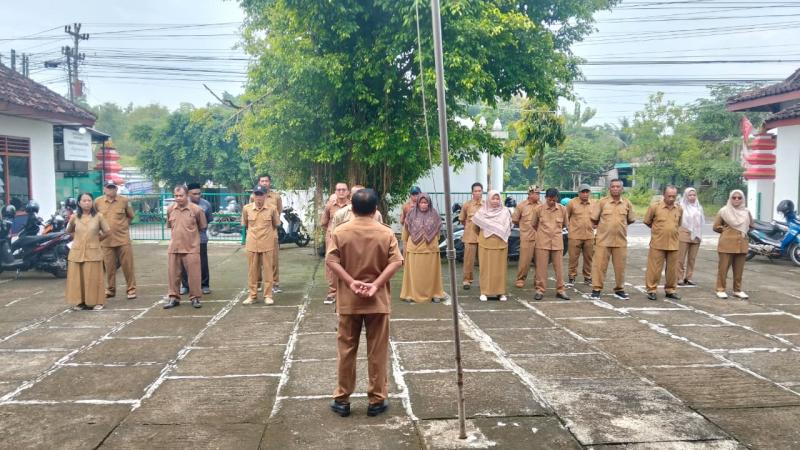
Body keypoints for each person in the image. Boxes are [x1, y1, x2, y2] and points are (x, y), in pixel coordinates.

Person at [326, 188, 403, 418]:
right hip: (377, 301)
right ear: (375, 209)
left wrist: (350, 282)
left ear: (352, 208)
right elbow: (397, 261)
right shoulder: (385, 232)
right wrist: (376, 285)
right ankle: (376, 400)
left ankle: (342, 399)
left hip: (349, 302)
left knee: (346, 350)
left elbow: (331, 260)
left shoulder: (340, 231)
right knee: (377, 351)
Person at [164, 185, 208, 309]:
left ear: (187, 195)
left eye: (181, 196)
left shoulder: (196, 210)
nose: (178, 198)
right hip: (174, 248)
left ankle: (195, 298)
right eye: (176, 196)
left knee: (194, 275)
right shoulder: (170, 209)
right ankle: (173, 298)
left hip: (191, 248)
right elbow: (170, 226)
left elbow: (202, 226)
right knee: (173, 275)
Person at [590, 179, 636, 300]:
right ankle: (596, 289)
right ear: (609, 188)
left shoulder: (627, 203)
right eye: (613, 186)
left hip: (620, 241)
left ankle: (619, 289)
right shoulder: (602, 202)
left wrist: (619, 227)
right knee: (599, 266)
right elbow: (594, 219)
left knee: (620, 268)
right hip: (603, 241)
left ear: (622, 189)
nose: (615, 189)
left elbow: (630, 220)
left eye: (618, 187)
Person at [65, 193, 110, 311]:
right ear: (79, 203)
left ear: (92, 202)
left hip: (93, 252)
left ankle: (98, 302)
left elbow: (107, 232)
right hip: (77, 252)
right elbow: (69, 231)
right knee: (77, 278)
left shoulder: (99, 216)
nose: (87, 203)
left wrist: (96, 240)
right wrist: (78, 239)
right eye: (84, 201)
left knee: (94, 278)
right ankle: (80, 302)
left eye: (89, 200)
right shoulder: (74, 217)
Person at [400, 193, 446, 303]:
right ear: (418, 203)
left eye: (426, 202)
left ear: (429, 203)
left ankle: (435, 293)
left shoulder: (434, 214)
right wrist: (405, 245)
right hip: (414, 248)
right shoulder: (411, 214)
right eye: (421, 202)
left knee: (431, 273)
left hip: (430, 248)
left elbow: (438, 234)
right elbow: (406, 231)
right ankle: (410, 294)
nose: (424, 205)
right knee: (414, 274)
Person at [94, 181, 136, 300]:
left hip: (123, 239)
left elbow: (131, 216)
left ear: (116, 189)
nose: (111, 190)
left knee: (128, 266)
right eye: (108, 188)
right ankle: (110, 290)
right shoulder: (97, 202)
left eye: (113, 188)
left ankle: (131, 289)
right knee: (109, 267)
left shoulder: (124, 201)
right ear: (104, 189)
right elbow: (94, 218)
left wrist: (123, 226)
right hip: (106, 241)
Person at [242, 185, 281, 305]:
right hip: (252, 244)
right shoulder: (246, 208)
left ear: (265, 196)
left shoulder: (272, 209)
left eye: (261, 194)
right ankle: (252, 295)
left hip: (267, 244)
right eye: (256, 194)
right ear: (253, 195)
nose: (258, 197)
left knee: (268, 271)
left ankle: (268, 296)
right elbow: (246, 224)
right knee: (252, 271)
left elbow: (275, 224)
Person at [643, 185, 683, 301]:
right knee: (654, 269)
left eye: (674, 196)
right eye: (669, 196)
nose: (671, 198)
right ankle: (651, 290)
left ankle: (670, 290)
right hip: (658, 243)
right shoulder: (655, 207)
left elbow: (679, 224)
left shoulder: (679, 208)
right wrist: (658, 230)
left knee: (672, 270)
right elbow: (647, 221)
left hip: (673, 243)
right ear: (664, 195)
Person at [471, 190, 512, 302]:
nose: (495, 201)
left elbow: (509, 226)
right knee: (485, 269)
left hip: (501, 244)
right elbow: (475, 227)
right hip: (485, 244)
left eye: (497, 198)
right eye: (493, 198)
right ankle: (484, 292)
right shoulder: (482, 211)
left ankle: (500, 292)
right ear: (488, 199)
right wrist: (483, 236)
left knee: (500, 269)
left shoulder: (505, 211)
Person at [713, 190, 752, 299]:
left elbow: (751, 226)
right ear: (730, 198)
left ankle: (737, 290)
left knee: (739, 270)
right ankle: (720, 289)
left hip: (742, 244)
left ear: (743, 199)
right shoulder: (724, 211)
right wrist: (727, 231)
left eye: (739, 197)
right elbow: (716, 227)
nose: (736, 199)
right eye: (734, 197)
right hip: (726, 244)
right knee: (723, 269)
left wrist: (743, 231)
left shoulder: (746, 212)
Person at [532, 188, 570, 301]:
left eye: (554, 199)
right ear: (545, 198)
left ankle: (561, 290)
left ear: (557, 198)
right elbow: (534, 225)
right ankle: (540, 290)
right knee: (541, 268)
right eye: (550, 199)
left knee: (559, 268)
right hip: (542, 243)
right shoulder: (538, 209)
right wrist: (543, 233)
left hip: (557, 242)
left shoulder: (563, 209)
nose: (552, 202)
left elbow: (565, 225)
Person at [251, 175, 283, 294]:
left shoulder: (276, 197)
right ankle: (258, 283)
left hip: (271, 233)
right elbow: (250, 212)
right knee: (257, 261)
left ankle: (275, 283)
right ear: (259, 182)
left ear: (270, 182)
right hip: (256, 234)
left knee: (273, 260)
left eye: (266, 181)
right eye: (262, 181)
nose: (264, 183)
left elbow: (278, 212)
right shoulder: (253, 196)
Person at [181, 183, 214, 295]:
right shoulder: (183, 204)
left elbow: (208, 220)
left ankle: (204, 285)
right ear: (188, 194)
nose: (197, 196)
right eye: (194, 194)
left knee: (203, 262)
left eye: (199, 193)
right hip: (186, 239)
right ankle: (186, 285)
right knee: (184, 263)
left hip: (201, 238)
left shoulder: (206, 205)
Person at [321, 182, 350, 305]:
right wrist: (331, 233)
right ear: (335, 192)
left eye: (343, 189)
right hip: (332, 238)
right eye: (339, 190)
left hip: (348, 239)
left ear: (348, 192)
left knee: (348, 263)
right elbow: (324, 223)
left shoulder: (352, 206)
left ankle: (347, 291)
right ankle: (332, 292)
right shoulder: (330, 206)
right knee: (332, 263)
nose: (341, 192)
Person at [511, 185, 540, 288]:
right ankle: (520, 279)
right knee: (524, 261)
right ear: (530, 194)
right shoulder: (521, 206)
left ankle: (538, 280)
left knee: (540, 261)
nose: (538, 195)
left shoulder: (541, 205)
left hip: (540, 238)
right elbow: (515, 220)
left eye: (539, 193)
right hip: (527, 237)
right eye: (536, 193)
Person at [566, 184, 595, 286]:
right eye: (583, 192)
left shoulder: (594, 203)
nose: (585, 194)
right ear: (579, 193)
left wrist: (596, 225)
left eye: (587, 192)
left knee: (589, 258)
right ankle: (572, 277)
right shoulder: (572, 203)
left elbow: (597, 217)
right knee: (573, 258)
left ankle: (587, 277)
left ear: (589, 193)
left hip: (589, 236)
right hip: (575, 236)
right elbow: (566, 217)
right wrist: (569, 228)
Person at [458, 182, 484, 290]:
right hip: (470, 236)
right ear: (472, 192)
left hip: (483, 237)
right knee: (468, 261)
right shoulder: (467, 205)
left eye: (479, 191)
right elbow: (462, 219)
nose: (477, 193)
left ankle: (484, 281)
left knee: (484, 261)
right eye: (475, 191)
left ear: (482, 192)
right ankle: (466, 281)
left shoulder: (486, 205)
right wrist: (470, 228)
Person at [678, 187, 704, 286]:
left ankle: (689, 277)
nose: (692, 197)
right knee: (680, 258)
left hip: (696, 235)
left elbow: (701, 221)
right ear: (686, 196)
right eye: (690, 195)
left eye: (694, 195)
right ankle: (679, 277)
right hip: (684, 233)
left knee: (692, 258)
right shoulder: (681, 207)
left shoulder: (699, 207)